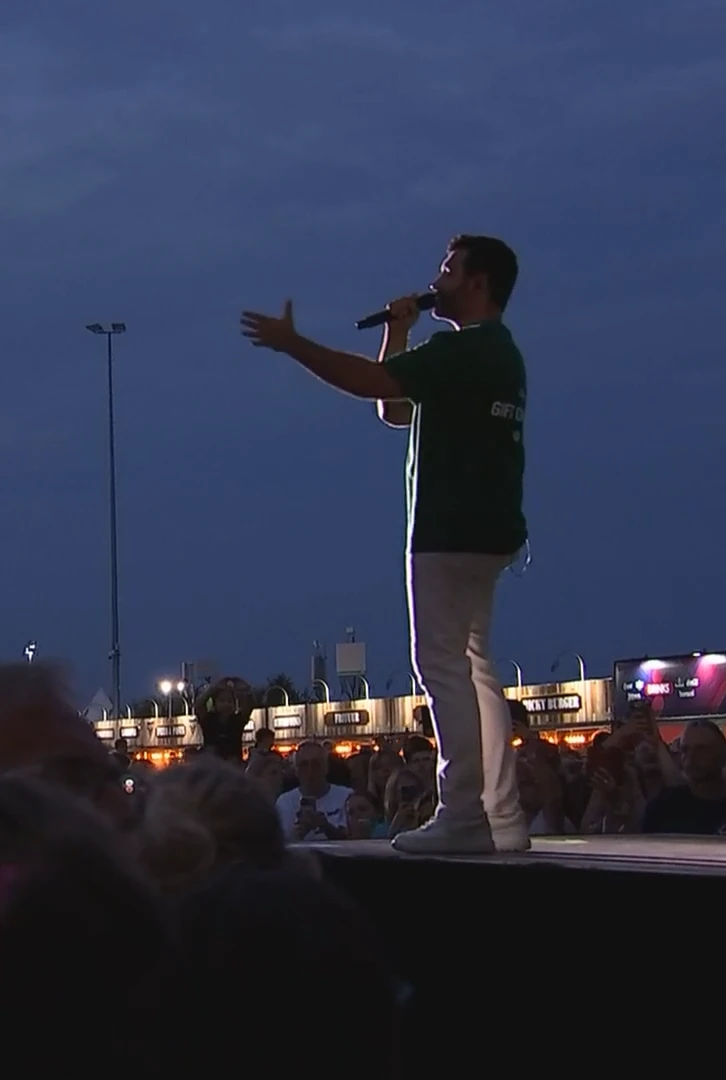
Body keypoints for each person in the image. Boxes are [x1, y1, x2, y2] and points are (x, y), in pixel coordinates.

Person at [240, 235, 529, 854]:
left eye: (448, 269)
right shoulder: (498, 354)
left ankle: (464, 816)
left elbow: (370, 383)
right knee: (475, 668)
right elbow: (397, 410)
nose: (437, 278)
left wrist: (295, 344)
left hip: (449, 528)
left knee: (443, 666)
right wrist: (396, 333)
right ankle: (500, 814)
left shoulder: (461, 350)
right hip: (491, 529)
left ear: (477, 283)